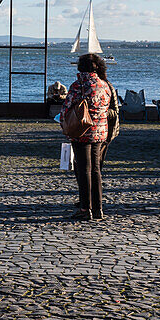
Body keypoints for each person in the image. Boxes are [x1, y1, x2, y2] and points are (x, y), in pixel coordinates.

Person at [61, 52, 112, 223]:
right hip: (100, 132)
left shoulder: (78, 85)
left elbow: (67, 108)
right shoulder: (104, 85)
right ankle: (98, 209)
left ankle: (85, 209)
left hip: (81, 132)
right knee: (96, 170)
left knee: (83, 170)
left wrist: (64, 124)